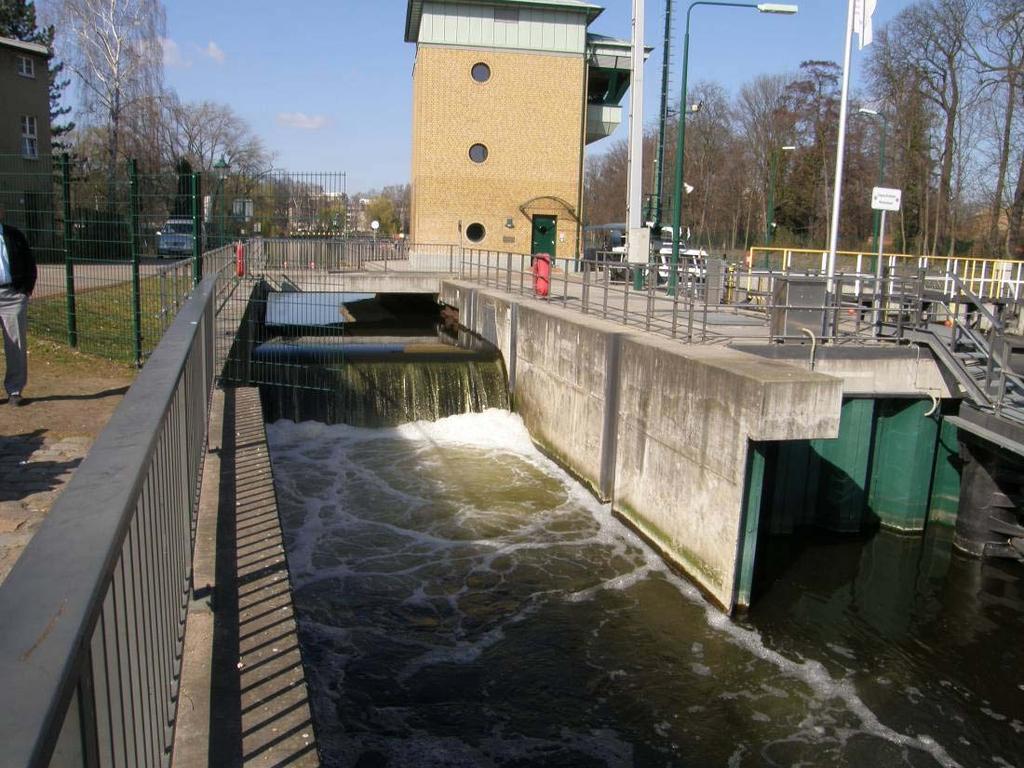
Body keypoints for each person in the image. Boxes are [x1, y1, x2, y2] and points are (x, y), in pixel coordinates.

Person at [0, 204, 37, 406]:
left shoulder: (14, 236)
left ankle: (14, 390)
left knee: (16, 344)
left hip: (12, 294)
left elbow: (30, 263)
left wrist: (25, 291)